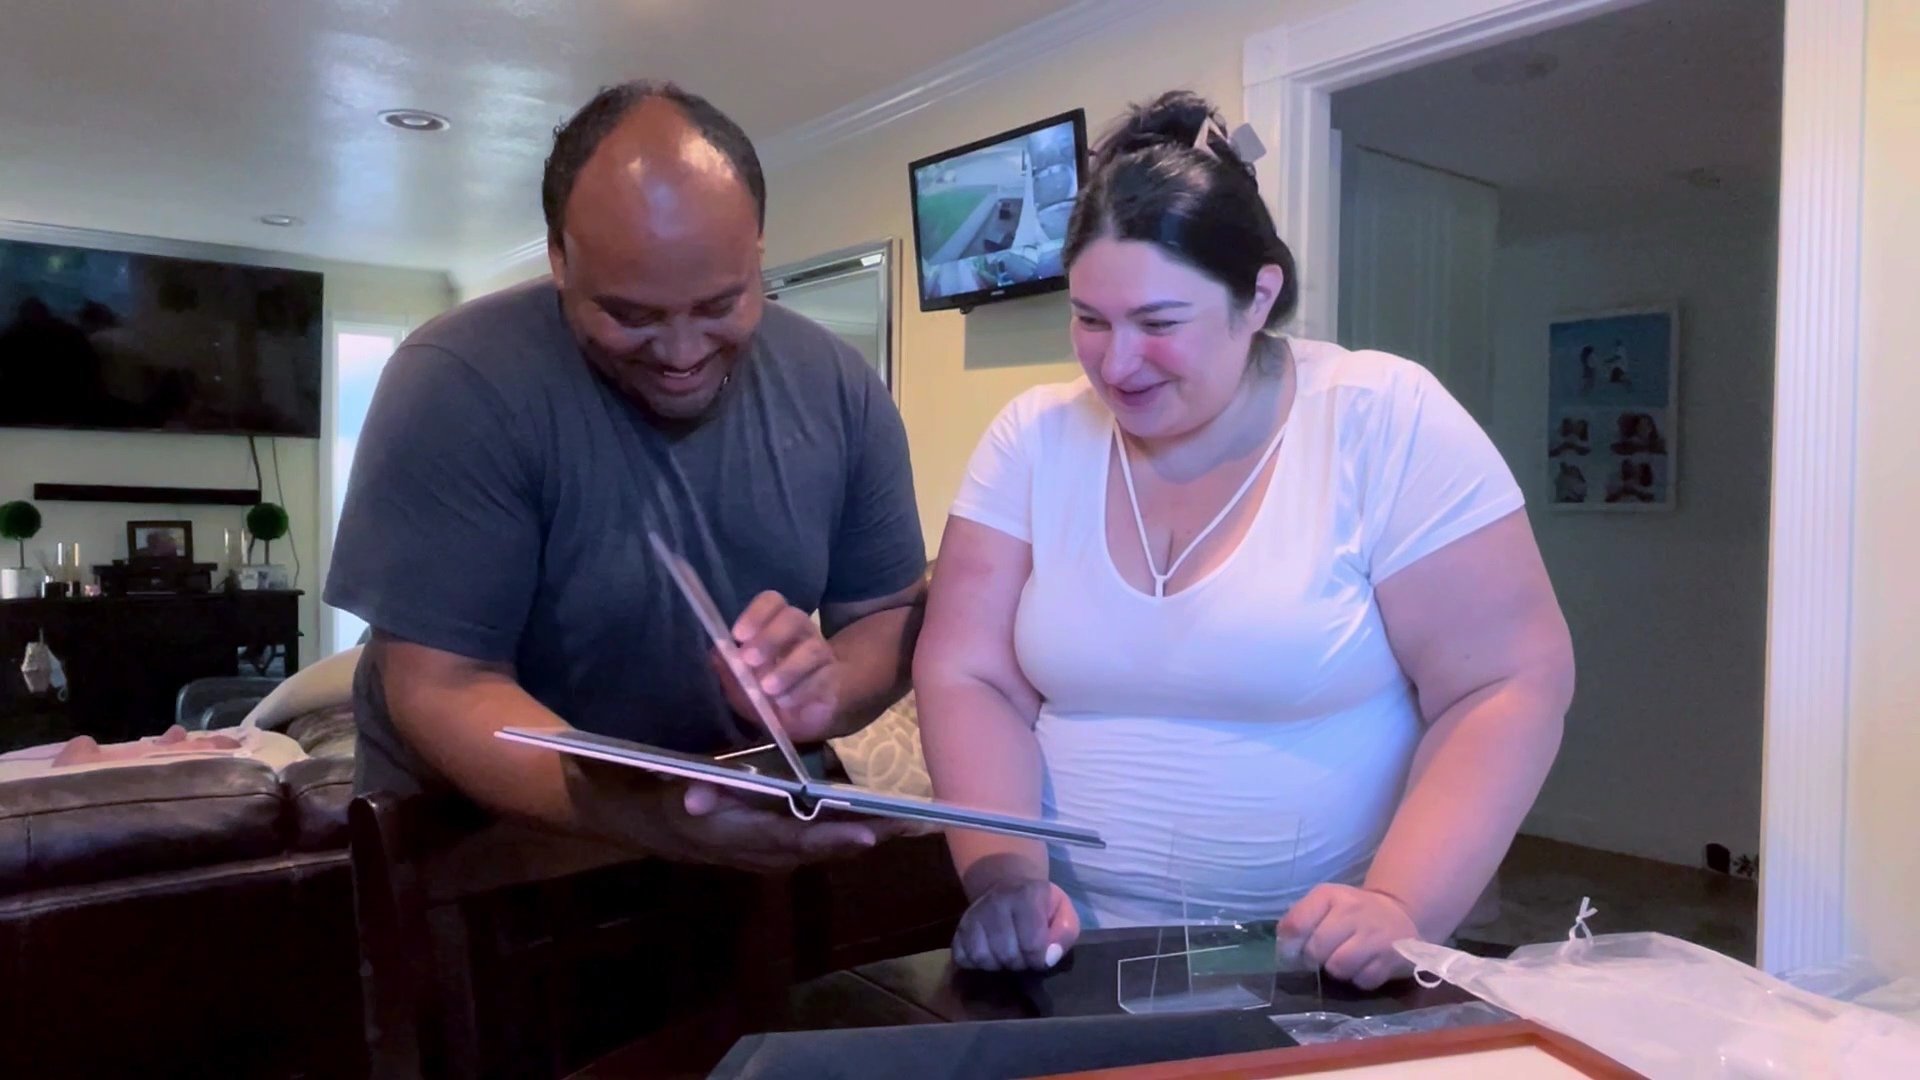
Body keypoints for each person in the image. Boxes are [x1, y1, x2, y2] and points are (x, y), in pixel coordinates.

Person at [915, 91, 1574, 990]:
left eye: (1158, 324)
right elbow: (968, 672)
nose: (1116, 364)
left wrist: (1400, 908)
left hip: (1312, 963)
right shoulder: (1031, 439)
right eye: (1090, 320)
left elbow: (1506, 682)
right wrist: (1000, 874)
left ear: (1257, 295)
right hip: (1076, 958)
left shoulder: (1382, 417)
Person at [324, 81, 927, 872]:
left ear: (758, 252)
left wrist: (829, 687)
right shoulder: (454, 381)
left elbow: (886, 618)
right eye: (630, 316)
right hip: (478, 861)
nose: (681, 354)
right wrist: (653, 814)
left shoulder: (843, 388)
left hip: (722, 832)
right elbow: (442, 687)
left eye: (721, 303)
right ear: (558, 259)